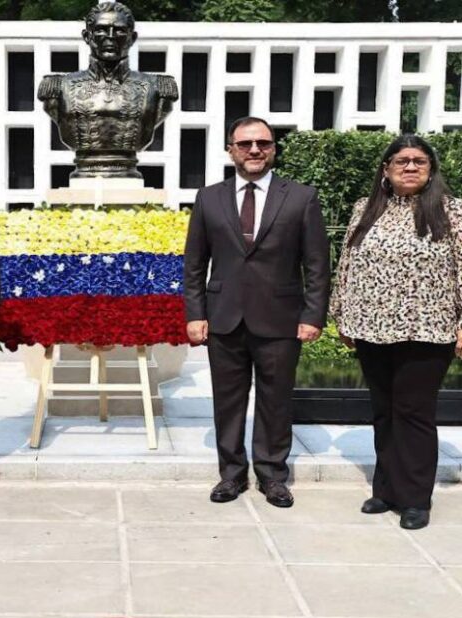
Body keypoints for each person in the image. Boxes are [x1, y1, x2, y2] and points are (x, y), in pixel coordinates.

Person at [330, 134, 462, 530]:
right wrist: (340, 313)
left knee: (413, 411)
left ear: (431, 169)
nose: (409, 167)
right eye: (401, 160)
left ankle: (416, 497)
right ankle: (385, 489)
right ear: (386, 170)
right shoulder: (365, 210)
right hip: (370, 327)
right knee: (383, 410)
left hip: (428, 330)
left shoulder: (455, 212)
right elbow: (347, 265)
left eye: (419, 161)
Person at [183, 116, 330, 507]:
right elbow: (194, 263)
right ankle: (231, 475)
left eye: (263, 143)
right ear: (230, 149)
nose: (254, 150)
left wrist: (313, 315)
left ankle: (272, 476)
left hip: (281, 318)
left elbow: (316, 264)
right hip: (223, 317)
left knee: (275, 399)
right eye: (245, 143)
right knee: (227, 401)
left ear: (274, 149)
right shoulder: (208, 197)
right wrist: (194, 313)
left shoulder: (300, 197)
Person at [38, 1, 177, 179]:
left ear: (132, 38)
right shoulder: (58, 86)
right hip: (83, 173)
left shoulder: (158, 87)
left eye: (119, 30)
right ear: (87, 36)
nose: (110, 36)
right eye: (101, 29)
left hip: (128, 173)